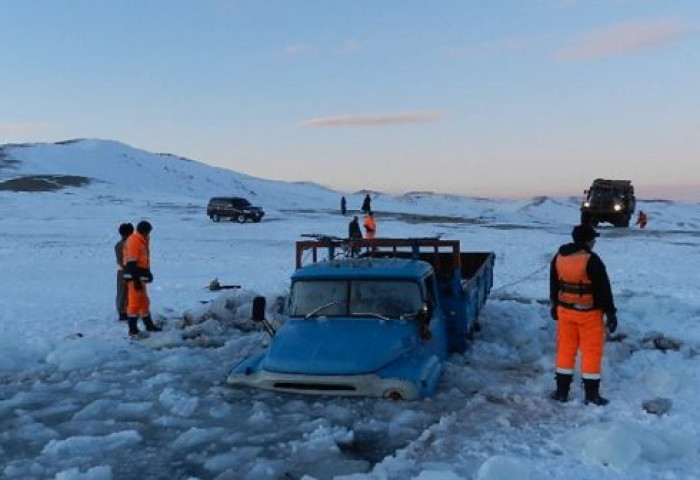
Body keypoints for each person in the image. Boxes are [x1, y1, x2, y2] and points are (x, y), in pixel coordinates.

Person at [549, 224, 617, 406]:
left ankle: (561, 392)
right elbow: (604, 289)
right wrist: (611, 313)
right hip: (589, 314)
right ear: (587, 241)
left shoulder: (559, 257)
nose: (594, 241)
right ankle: (592, 395)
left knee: (565, 350)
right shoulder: (592, 260)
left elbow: (554, 284)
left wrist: (554, 304)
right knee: (591, 352)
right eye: (593, 238)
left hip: (565, 312)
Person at [123, 220, 161, 336]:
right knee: (134, 303)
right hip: (135, 276)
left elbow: (143, 260)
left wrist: (148, 273)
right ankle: (132, 329)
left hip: (140, 275)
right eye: (148, 232)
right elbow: (132, 262)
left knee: (144, 302)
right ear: (144, 231)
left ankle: (148, 324)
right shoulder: (134, 240)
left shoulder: (142, 241)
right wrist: (136, 281)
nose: (149, 235)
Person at [115, 223, 134, 321]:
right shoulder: (125, 245)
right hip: (126, 270)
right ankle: (123, 312)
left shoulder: (119, 244)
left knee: (123, 291)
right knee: (124, 292)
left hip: (122, 271)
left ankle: (124, 311)